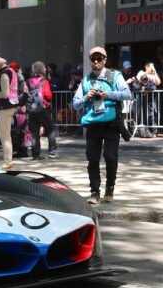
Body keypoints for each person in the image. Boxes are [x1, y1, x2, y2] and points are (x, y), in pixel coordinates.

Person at [72, 46, 131, 204]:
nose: (96, 62)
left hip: (112, 123)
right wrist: (87, 96)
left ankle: (109, 188)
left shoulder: (115, 76)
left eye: (99, 58)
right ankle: (94, 192)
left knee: (111, 157)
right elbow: (75, 104)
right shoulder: (85, 80)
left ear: (105, 60)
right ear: (90, 61)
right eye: (93, 59)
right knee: (93, 160)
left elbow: (127, 94)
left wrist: (107, 95)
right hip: (93, 124)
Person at [0, 55, 19, 169]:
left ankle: (8, 161)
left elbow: (4, 94)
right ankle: (8, 160)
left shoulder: (4, 74)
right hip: (10, 105)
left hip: (5, 107)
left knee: (4, 135)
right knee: (5, 134)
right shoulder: (11, 71)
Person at [27, 60, 58, 160]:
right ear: (42, 70)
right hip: (43, 109)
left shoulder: (28, 81)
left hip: (32, 110)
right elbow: (48, 95)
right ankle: (52, 152)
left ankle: (35, 154)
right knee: (50, 129)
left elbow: (25, 94)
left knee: (34, 133)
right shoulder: (44, 82)